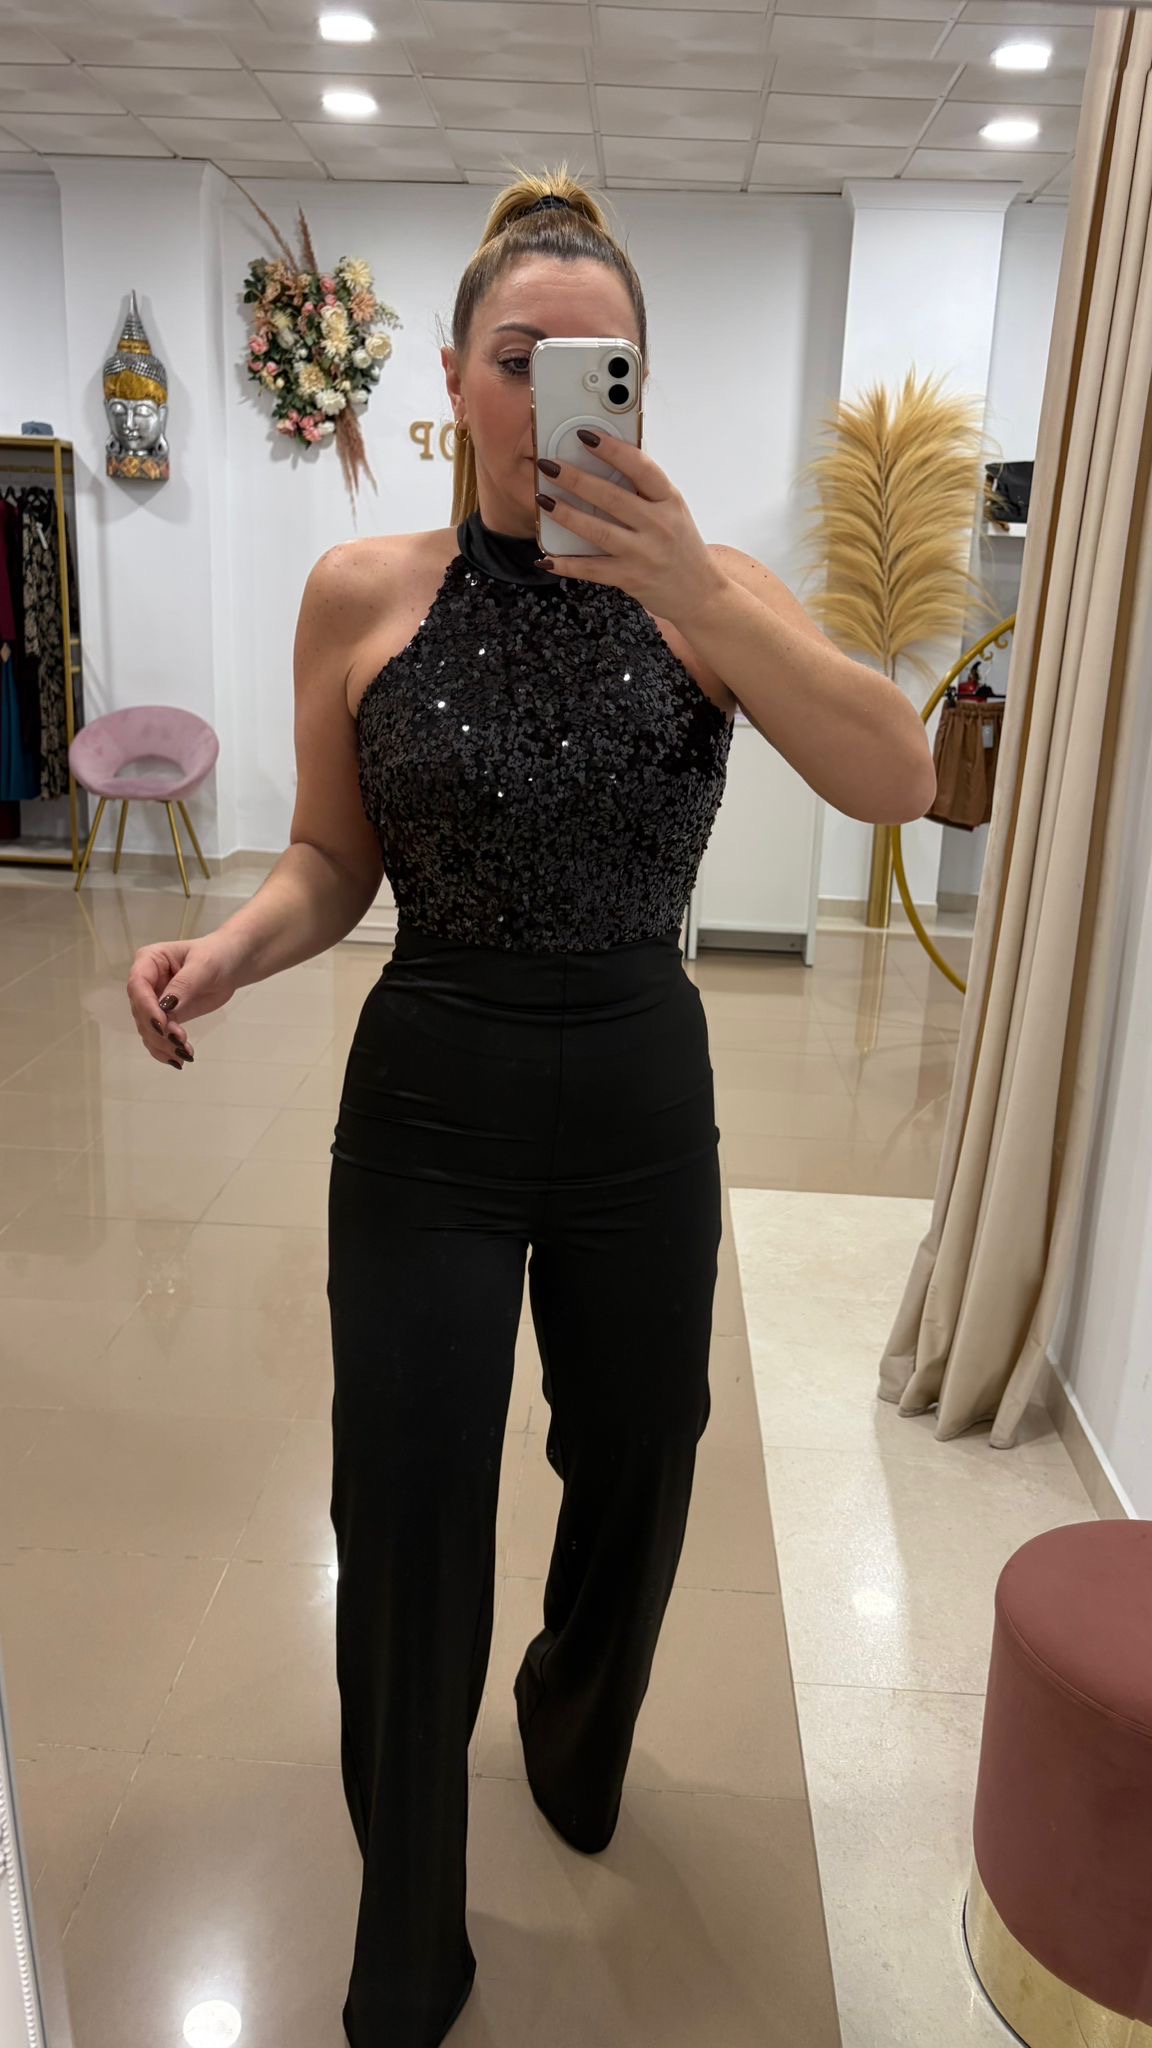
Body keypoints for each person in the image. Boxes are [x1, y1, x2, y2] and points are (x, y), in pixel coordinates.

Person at [126, 166, 935, 2048]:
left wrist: (691, 585)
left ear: (639, 386)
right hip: (432, 1091)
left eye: (600, 366)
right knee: (408, 1503)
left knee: (644, 1464)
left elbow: (899, 774)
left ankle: (575, 1729)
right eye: (519, 359)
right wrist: (234, 949)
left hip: (642, 1082)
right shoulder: (361, 594)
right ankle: (406, 1937)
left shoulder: (709, 592)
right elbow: (334, 856)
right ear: (453, 381)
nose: (555, 397)